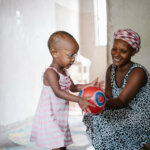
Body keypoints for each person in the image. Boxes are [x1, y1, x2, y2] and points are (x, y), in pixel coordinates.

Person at [30, 31, 99, 150]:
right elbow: (58, 92)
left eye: (75, 55)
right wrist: (79, 100)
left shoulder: (65, 72)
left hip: (60, 115)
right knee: (58, 145)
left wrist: (90, 85)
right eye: (70, 55)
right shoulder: (50, 72)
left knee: (62, 144)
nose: (73, 59)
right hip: (49, 116)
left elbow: (73, 87)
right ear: (54, 53)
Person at [83, 29, 150, 150]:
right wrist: (97, 97)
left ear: (133, 52)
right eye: (114, 49)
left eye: (123, 51)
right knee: (95, 115)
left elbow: (121, 101)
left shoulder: (138, 72)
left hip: (141, 117)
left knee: (104, 119)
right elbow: (109, 97)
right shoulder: (111, 69)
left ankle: (139, 144)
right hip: (123, 111)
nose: (116, 54)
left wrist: (99, 103)